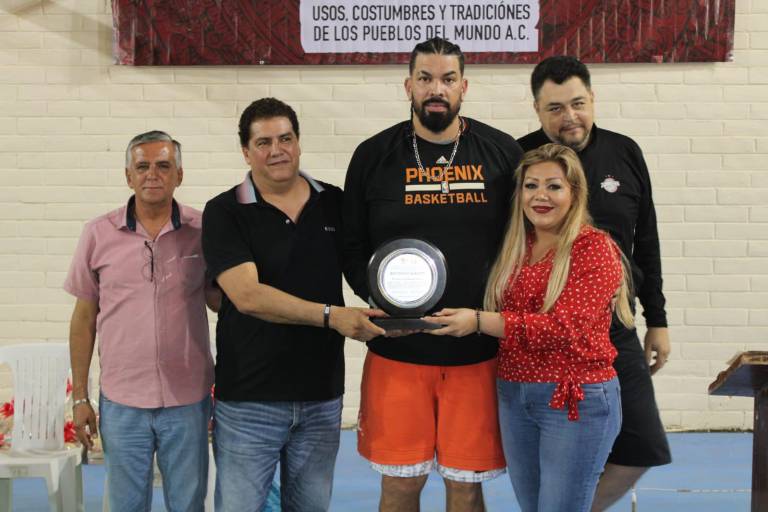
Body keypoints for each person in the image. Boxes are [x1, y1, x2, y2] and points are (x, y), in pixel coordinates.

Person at [343, 37, 523, 512]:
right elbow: (351, 244)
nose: (435, 89)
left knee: (466, 487)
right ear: (408, 86)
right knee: (401, 485)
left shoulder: (501, 153)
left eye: (446, 79)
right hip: (399, 350)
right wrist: (385, 302)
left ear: (464, 86)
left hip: (476, 353)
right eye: (425, 78)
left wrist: (494, 315)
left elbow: (523, 243)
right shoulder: (372, 156)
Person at [426, 143, 632, 512]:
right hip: (514, 395)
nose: (540, 196)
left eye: (554, 186)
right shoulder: (517, 245)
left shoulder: (594, 248)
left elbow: (563, 328)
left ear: (575, 193)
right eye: (531, 185)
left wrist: (476, 321)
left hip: (573, 399)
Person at [201, 97, 385, 512]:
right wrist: (329, 316)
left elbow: (362, 273)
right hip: (249, 401)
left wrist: (402, 304)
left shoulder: (334, 202)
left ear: (299, 143)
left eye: (285, 138)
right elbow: (246, 296)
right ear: (246, 151)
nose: (277, 150)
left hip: (321, 397)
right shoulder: (225, 212)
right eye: (263, 142)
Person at [518, 56, 672, 510]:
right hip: (546, 335)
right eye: (555, 108)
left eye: (578, 104)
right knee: (545, 454)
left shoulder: (625, 153)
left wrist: (657, 320)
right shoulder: (520, 158)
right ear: (537, 110)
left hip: (613, 328)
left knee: (642, 445)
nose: (569, 118)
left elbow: (647, 240)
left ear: (593, 99)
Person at [65, 131, 215, 512]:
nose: (153, 175)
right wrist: (80, 396)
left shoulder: (204, 231)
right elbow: (84, 321)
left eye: (164, 166)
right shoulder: (98, 234)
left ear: (179, 175)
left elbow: (224, 301)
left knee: (188, 503)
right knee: (125, 505)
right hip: (122, 402)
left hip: (188, 400)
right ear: (128, 176)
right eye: (142, 166)